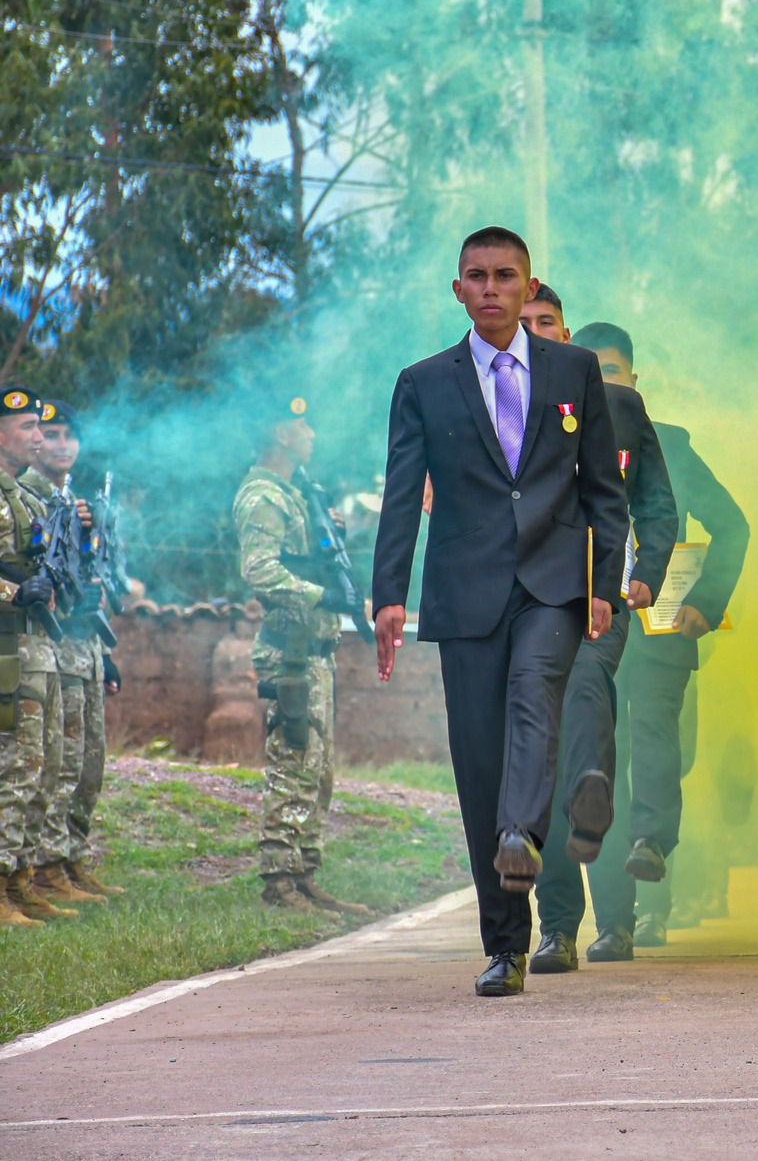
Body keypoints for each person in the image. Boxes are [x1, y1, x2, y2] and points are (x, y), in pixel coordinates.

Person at [370, 226, 630, 997]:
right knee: (479, 763)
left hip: (552, 584)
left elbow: (603, 495)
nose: (490, 287)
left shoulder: (574, 370)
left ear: (528, 286)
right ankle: (506, 944)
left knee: (534, 700)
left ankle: (522, 832)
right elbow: (399, 499)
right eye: (476, 277)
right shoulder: (423, 382)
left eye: (504, 276)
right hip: (464, 592)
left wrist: (604, 586)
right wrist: (389, 594)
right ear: (458, 290)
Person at [515, 289, 680, 973]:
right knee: (547, 771)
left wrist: (646, 572)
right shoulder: (492, 407)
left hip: (599, 603)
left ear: (567, 331)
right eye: (522, 327)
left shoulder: (619, 406)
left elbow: (657, 506)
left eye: (545, 323)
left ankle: (616, 922)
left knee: (589, 752)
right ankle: (556, 928)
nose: (535, 336)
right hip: (522, 609)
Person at [572, 323, 749, 949]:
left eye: (613, 373)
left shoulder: (669, 446)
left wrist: (705, 602)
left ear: (634, 381)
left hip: (655, 631)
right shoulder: (552, 440)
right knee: (599, 770)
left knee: (653, 755)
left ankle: (655, 891)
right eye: (590, 371)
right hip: (586, 635)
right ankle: (614, 923)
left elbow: (732, 525)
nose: (602, 384)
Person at [233, 396, 369, 920]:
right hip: (289, 653)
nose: (310, 432)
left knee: (317, 770)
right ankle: (280, 883)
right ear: (279, 433)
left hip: (314, 652)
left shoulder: (297, 494)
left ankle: (305, 876)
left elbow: (305, 559)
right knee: (293, 766)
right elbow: (260, 570)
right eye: (301, 423)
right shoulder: (264, 495)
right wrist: (320, 596)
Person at [22, 400, 120, 902]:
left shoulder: (76, 500)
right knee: (56, 762)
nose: (60, 445)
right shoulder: (28, 496)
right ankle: (44, 866)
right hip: (52, 648)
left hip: (85, 647)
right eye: (50, 434)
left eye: (68, 436)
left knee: (88, 762)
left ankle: (70, 857)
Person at [0, 386, 69, 927]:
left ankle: (20, 882)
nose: (39, 437)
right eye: (27, 428)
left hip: (34, 647)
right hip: (6, 648)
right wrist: (12, 591)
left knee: (36, 765)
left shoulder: (27, 497)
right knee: (13, 767)